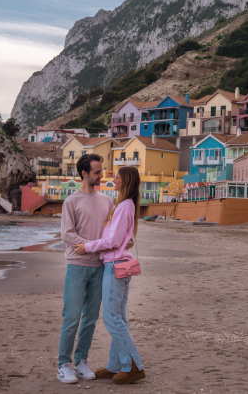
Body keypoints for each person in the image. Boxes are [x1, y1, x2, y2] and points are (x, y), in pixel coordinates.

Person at [57, 154, 133, 384]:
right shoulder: (71, 201)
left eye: (102, 171)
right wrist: (93, 248)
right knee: (71, 317)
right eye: (97, 172)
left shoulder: (107, 202)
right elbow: (67, 235)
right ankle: (63, 365)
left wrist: (122, 242)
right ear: (84, 173)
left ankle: (81, 361)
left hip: (101, 267)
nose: (102, 176)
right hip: (77, 266)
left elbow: (112, 234)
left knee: (90, 318)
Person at [74, 166, 146, 385]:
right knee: (119, 317)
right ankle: (117, 365)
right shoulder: (124, 205)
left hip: (115, 266)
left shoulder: (124, 206)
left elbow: (113, 241)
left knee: (112, 318)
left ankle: (134, 365)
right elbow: (121, 238)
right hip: (119, 265)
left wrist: (87, 247)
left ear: (125, 181)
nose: (113, 179)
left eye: (116, 177)